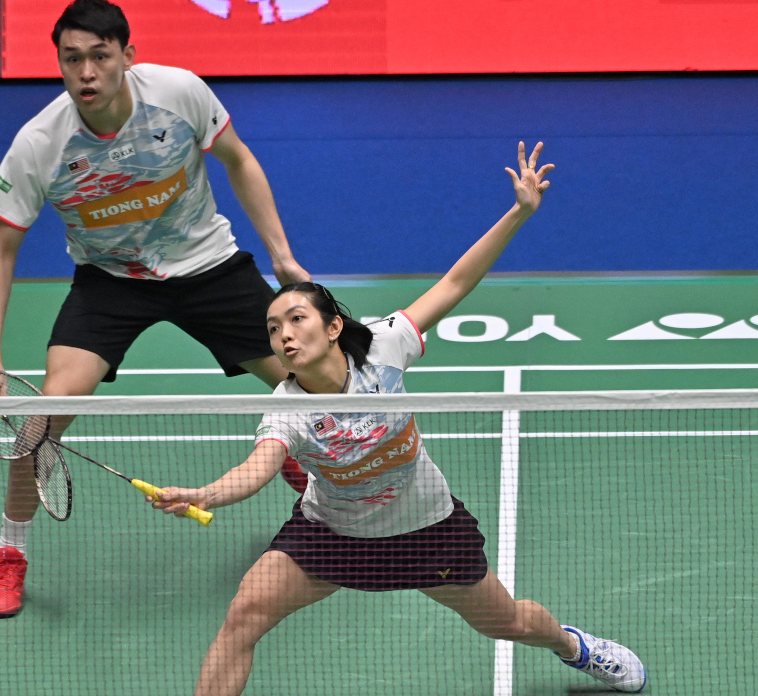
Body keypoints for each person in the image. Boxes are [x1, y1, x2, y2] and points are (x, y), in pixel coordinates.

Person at [149, 142, 647, 694]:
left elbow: (454, 283)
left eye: (295, 319)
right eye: (273, 328)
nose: (284, 335)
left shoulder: (384, 346)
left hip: (426, 531)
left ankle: (574, 647)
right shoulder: (287, 407)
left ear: (333, 326)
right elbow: (257, 469)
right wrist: (204, 493)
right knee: (243, 616)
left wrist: (519, 212)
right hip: (330, 534)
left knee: (508, 623)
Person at [0, 0, 309, 619]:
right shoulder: (40, 143)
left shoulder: (178, 94)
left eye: (100, 56)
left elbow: (239, 159)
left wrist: (282, 258)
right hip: (111, 283)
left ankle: (305, 474)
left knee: (306, 388)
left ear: (127, 55)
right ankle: (8, 554)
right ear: (61, 65)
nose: (87, 72)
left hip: (208, 264)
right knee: (38, 427)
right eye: (73, 59)